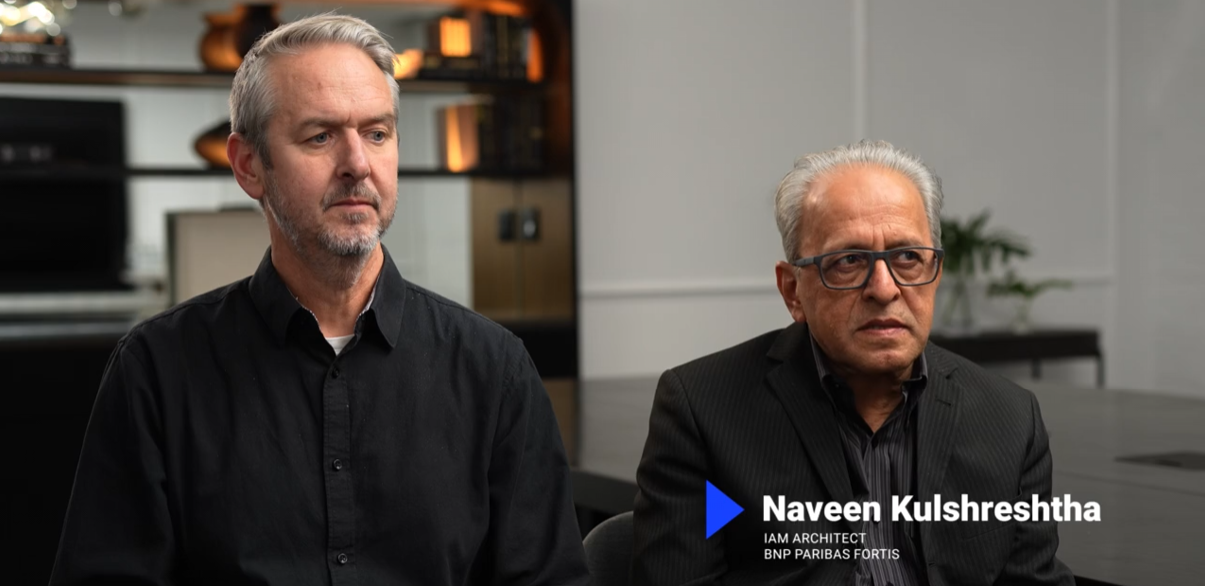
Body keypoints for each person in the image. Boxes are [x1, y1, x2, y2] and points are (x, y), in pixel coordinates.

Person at [51, 14, 588, 586]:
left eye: (377, 133)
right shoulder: (156, 370)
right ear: (249, 165)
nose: (358, 163)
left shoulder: (494, 368)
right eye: (320, 136)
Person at [632, 141, 1074, 586]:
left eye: (907, 257)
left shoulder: (1009, 419)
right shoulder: (702, 411)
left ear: (934, 274)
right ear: (792, 291)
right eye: (848, 261)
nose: (884, 289)